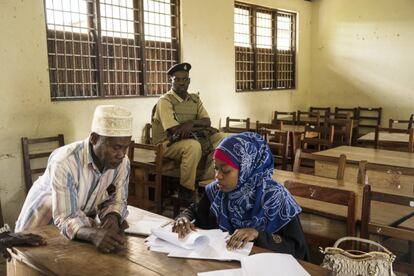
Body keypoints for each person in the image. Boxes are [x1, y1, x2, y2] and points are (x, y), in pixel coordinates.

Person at [172, 132, 309, 260]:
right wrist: (183, 218)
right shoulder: (217, 191)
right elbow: (195, 212)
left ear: (247, 168)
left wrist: (257, 235)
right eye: (216, 168)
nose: (217, 176)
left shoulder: (277, 198)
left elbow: (297, 248)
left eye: (225, 170)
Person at [15, 105, 133, 253]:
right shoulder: (65, 161)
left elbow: (117, 200)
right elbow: (65, 217)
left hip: (74, 227)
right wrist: (93, 234)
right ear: (94, 139)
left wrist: (113, 217)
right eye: (116, 148)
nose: (121, 154)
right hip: (39, 226)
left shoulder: (122, 162)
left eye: (125, 147)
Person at [152, 62, 226, 201]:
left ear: (189, 81)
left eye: (185, 79)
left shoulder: (194, 99)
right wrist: (202, 127)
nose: (181, 83)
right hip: (167, 144)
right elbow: (175, 130)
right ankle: (186, 192)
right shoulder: (165, 101)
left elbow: (207, 121)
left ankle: (206, 183)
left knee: (223, 138)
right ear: (171, 81)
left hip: (194, 137)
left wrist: (190, 123)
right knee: (193, 146)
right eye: (177, 79)